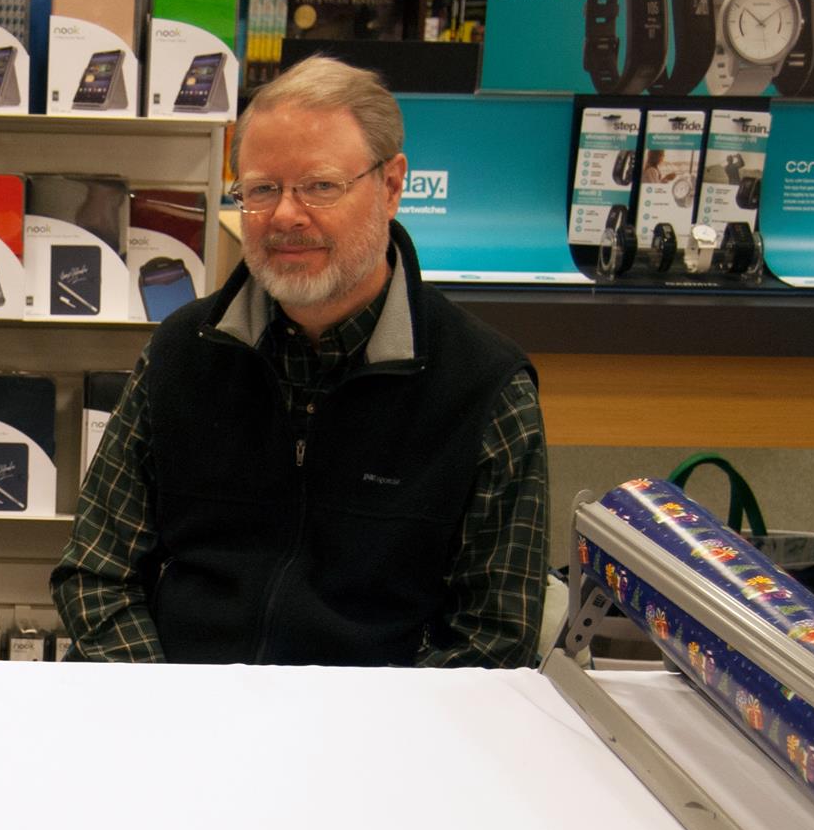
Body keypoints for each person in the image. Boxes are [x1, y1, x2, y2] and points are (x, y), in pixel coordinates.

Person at [52, 56, 548, 667]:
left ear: (391, 187)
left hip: (368, 734)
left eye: (320, 185)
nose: (286, 215)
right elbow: (94, 573)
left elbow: (493, 638)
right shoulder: (184, 352)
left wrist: (354, 748)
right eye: (262, 189)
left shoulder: (484, 389)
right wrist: (164, 707)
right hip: (180, 708)